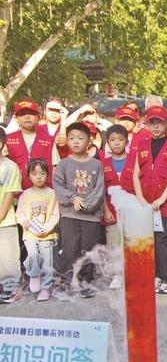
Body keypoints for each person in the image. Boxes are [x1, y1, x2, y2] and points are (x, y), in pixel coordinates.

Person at [132, 105, 167, 294]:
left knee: (166, 241)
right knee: (147, 241)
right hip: (145, 202)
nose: (155, 127)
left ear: (165, 123)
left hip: (166, 203)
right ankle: (152, 276)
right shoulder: (142, 145)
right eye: (152, 123)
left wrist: (162, 198)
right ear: (146, 124)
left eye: (159, 123)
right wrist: (140, 198)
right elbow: (136, 174)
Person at [53, 122, 106, 298]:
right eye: (72, 138)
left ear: (89, 140)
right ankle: (67, 281)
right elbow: (58, 185)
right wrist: (72, 198)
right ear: (67, 141)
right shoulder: (63, 164)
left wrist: (85, 204)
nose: (76, 142)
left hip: (91, 217)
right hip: (69, 215)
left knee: (88, 250)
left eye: (80, 138)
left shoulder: (96, 165)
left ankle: (85, 282)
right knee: (69, 249)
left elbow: (99, 190)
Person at [16, 158, 59, 302]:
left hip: (47, 234)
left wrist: (47, 229)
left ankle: (45, 288)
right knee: (33, 255)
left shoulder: (52, 193)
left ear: (48, 175)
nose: (39, 176)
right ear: (28, 176)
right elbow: (19, 213)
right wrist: (25, 222)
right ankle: (34, 275)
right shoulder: (25, 194)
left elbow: (55, 214)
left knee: (47, 262)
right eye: (34, 174)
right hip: (30, 233)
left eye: (42, 173)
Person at [5, 98, 58, 190]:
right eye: (22, 114)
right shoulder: (7, 139)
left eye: (31, 113)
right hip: (14, 193)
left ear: (39, 117)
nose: (27, 116)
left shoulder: (49, 140)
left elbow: (55, 166)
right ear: (16, 119)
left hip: (43, 193)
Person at [101, 125, 129, 289]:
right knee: (114, 243)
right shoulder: (102, 163)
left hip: (131, 211)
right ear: (107, 143)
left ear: (126, 141)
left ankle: (132, 273)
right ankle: (117, 275)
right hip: (111, 210)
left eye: (120, 140)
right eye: (112, 140)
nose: (116, 143)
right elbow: (100, 190)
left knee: (132, 243)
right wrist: (105, 210)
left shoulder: (134, 159)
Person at [0, 128, 22, 304]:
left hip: (5, 221)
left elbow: (9, 194)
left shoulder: (10, 167)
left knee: (8, 258)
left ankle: (10, 289)